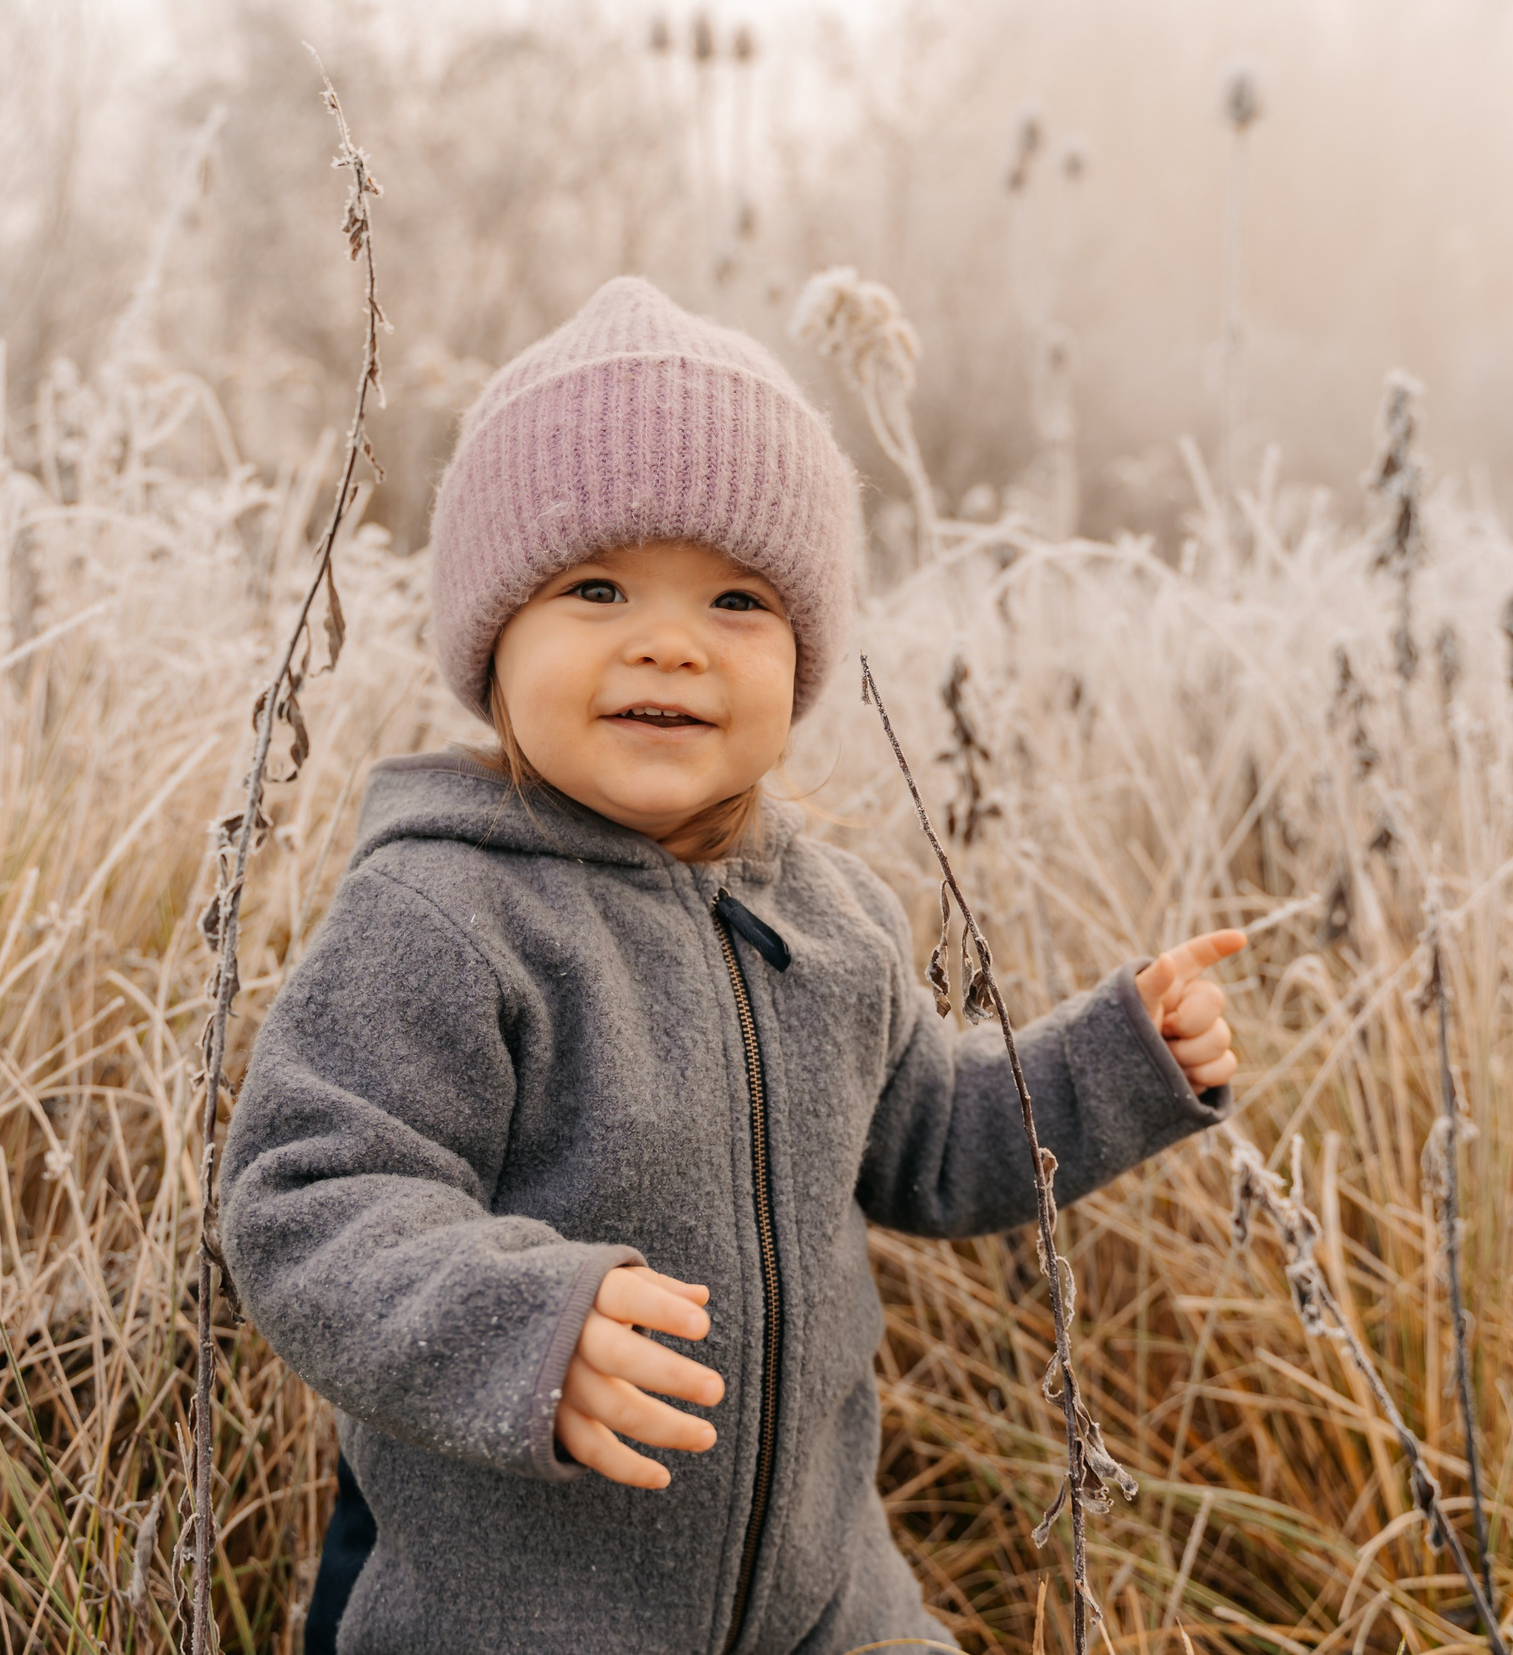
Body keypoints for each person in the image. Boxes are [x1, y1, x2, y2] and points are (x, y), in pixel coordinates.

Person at [223, 277, 1245, 1654]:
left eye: (737, 598)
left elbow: (936, 1141)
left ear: (804, 655)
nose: (669, 639)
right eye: (595, 587)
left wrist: (1116, 1061)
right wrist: (526, 1326)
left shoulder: (833, 918)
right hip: (521, 1618)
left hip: (830, 1602)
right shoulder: (444, 913)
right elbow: (308, 1200)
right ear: (492, 637)